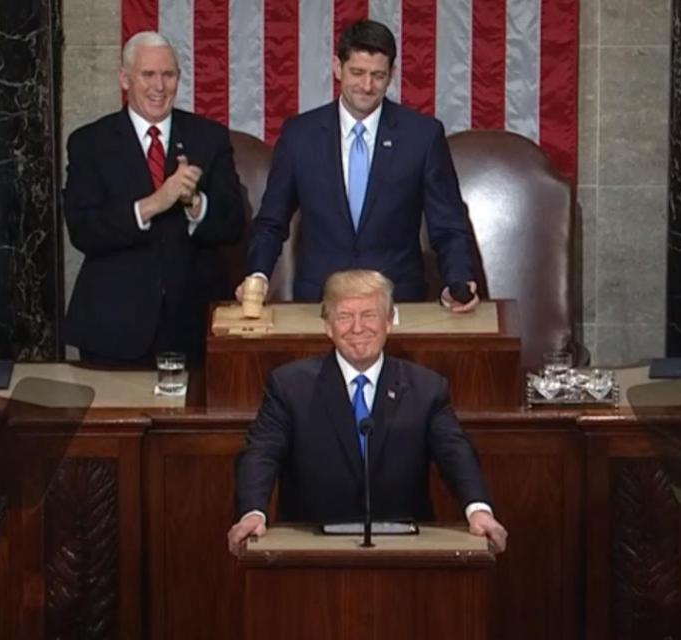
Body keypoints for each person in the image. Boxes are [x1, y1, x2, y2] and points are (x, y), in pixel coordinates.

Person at [227, 270, 507, 555]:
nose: (357, 328)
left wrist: (478, 510)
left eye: (369, 315)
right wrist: (253, 513)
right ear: (328, 326)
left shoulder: (426, 388)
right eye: (345, 317)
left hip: (404, 551)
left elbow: (455, 452)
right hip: (311, 549)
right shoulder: (289, 386)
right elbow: (261, 453)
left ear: (389, 322)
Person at [239, 19, 479, 312]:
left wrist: (459, 280)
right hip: (320, 303)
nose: (367, 86)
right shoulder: (300, 135)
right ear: (337, 68)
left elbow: (448, 225)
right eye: (357, 73)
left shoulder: (422, 137)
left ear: (391, 74)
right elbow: (271, 222)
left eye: (378, 75)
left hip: (397, 303)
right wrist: (258, 276)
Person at [63, 31, 245, 365]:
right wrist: (154, 204)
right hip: (114, 328)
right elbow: (83, 229)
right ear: (124, 78)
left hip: (194, 326)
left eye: (168, 75)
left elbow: (234, 223)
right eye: (148, 75)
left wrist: (194, 204)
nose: (159, 86)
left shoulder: (209, 137)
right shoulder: (90, 142)